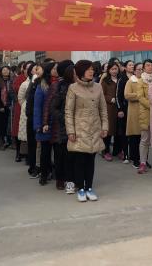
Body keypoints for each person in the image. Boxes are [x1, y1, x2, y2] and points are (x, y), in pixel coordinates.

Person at [65, 60, 109, 202]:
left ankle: (89, 187)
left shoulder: (98, 87)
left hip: (95, 128)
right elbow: (68, 111)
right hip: (79, 129)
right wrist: (70, 131)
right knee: (80, 160)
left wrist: (105, 127)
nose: (91, 71)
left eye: (92, 69)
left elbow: (103, 109)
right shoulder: (73, 88)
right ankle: (81, 189)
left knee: (91, 160)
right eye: (88, 69)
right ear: (80, 71)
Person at [48, 60, 75, 193]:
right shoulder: (58, 86)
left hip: (76, 126)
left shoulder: (79, 86)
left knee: (73, 156)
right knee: (60, 155)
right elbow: (52, 107)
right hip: (61, 127)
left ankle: (71, 179)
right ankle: (60, 179)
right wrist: (64, 118)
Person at [33, 62, 56, 185]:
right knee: (45, 151)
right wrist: (38, 125)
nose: (56, 70)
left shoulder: (60, 83)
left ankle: (54, 172)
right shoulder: (41, 85)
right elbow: (37, 107)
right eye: (54, 69)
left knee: (57, 151)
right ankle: (44, 174)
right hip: (44, 123)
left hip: (57, 122)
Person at [125, 62, 144, 169]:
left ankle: (143, 160)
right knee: (134, 137)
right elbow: (127, 95)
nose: (140, 71)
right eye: (138, 69)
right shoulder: (131, 81)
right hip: (134, 112)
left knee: (144, 138)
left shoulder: (146, 81)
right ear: (135, 71)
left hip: (145, 112)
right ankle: (135, 159)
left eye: (142, 69)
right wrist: (140, 96)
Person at [100, 61, 120, 161]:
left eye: (116, 69)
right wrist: (110, 99)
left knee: (118, 131)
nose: (114, 71)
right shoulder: (105, 81)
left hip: (120, 108)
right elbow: (101, 94)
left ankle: (117, 150)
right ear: (108, 70)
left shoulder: (120, 80)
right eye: (112, 69)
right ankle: (105, 151)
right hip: (109, 108)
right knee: (108, 131)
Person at [115, 60, 133, 163]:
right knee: (125, 133)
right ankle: (125, 154)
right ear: (125, 67)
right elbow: (118, 95)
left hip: (134, 109)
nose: (132, 66)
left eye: (133, 65)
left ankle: (134, 155)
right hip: (125, 109)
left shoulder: (136, 78)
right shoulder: (122, 79)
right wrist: (120, 109)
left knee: (134, 134)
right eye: (130, 65)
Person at [0, 66, 14, 150]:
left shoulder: (12, 81)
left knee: (9, 124)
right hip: (1, 106)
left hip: (10, 105)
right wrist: (0, 106)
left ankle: (9, 141)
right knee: (1, 124)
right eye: (4, 70)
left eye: (7, 70)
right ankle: (1, 142)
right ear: (1, 72)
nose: (5, 71)